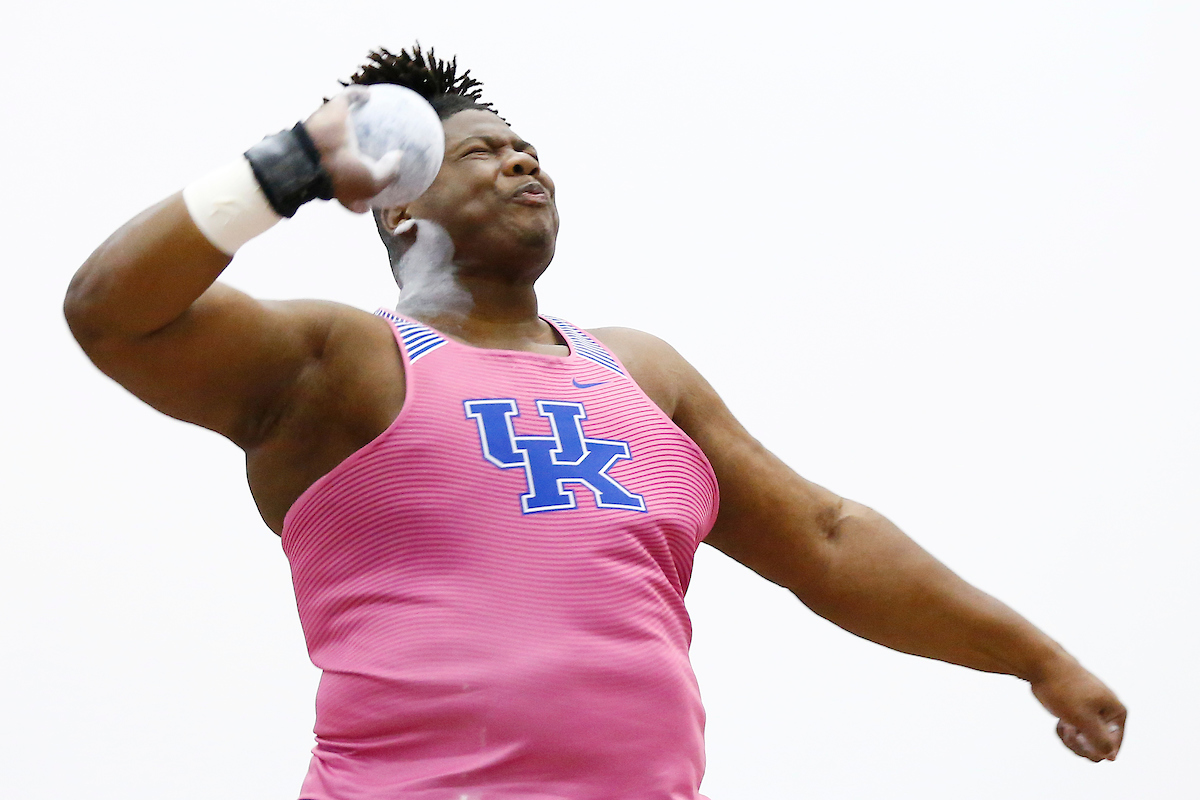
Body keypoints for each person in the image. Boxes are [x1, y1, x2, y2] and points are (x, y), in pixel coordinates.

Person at [64, 46, 1125, 799]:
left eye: (528, 148)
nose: (523, 161)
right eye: (481, 152)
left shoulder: (642, 372)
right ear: (397, 204)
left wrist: (1035, 657)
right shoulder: (345, 365)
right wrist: (284, 169)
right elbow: (112, 314)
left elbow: (828, 538)